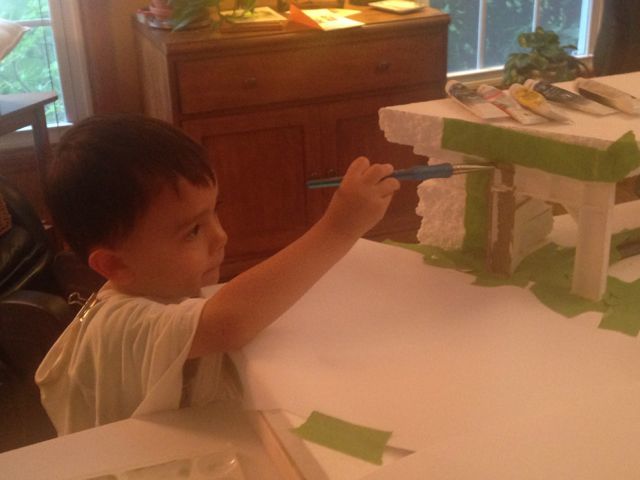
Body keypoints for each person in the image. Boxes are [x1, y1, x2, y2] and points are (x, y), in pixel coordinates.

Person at [35, 114, 399, 435]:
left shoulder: (158, 285)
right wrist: (338, 228)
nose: (220, 236)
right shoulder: (122, 323)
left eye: (214, 211)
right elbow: (229, 322)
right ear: (116, 266)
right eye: (193, 230)